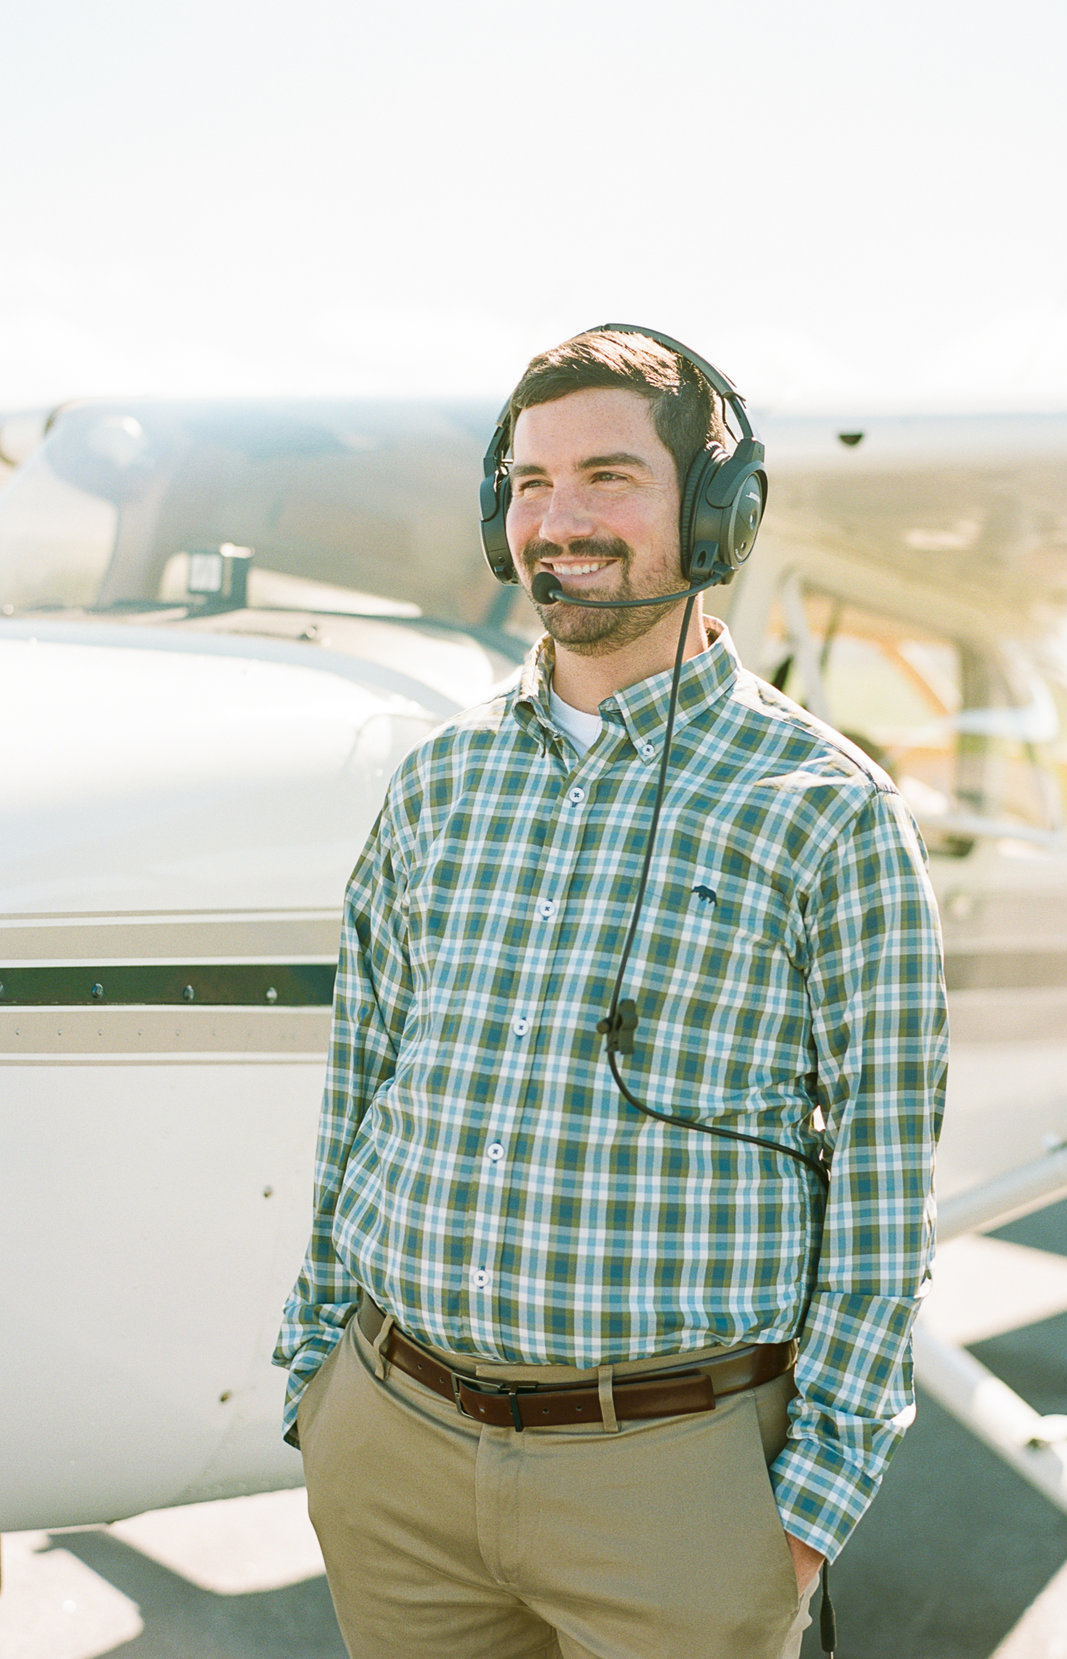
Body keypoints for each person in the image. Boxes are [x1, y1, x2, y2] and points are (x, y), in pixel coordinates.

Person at [272, 326, 947, 1656]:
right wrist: (318, 1379)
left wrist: (815, 1495)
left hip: (675, 1486)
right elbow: (362, 1084)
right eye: (528, 484)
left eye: (607, 477)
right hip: (392, 1450)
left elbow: (887, 1180)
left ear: (717, 509)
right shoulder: (439, 780)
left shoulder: (828, 810)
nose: (558, 520)